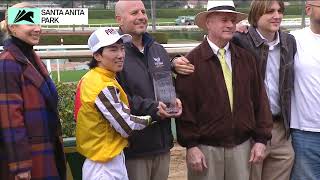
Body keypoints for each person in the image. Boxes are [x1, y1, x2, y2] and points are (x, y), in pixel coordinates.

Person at [175, 1, 273, 180]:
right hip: (205, 151)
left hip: (242, 148)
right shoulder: (191, 63)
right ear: (208, 23)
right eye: (224, 20)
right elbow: (186, 110)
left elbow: (260, 100)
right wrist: (191, 146)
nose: (230, 25)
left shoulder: (246, 59)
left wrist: (261, 139)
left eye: (233, 20)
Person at [74, 27, 154, 180]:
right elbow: (126, 126)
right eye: (113, 50)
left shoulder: (93, 77)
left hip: (103, 158)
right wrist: (152, 117)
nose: (120, 55)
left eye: (122, 49)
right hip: (104, 164)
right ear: (97, 55)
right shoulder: (102, 84)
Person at [114, 1, 182, 180]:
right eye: (134, 12)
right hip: (134, 149)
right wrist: (153, 108)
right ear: (119, 19)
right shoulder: (114, 53)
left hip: (162, 145)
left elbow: (168, 85)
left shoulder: (157, 49)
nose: (141, 16)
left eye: (143, 11)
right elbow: (119, 98)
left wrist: (176, 99)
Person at [231, 1, 297, 180]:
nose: (277, 15)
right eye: (270, 12)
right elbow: (211, 48)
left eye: (279, 11)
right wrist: (176, 62)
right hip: (250, 132)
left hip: (280, 132)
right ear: (256, 15)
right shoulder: (239, 39)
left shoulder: (289, 42)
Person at [0, 2, 66, 180]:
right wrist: (20, 166)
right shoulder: (8, 62)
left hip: (45, 150)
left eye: (38, 23)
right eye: (30, 23)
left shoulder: (31, 57)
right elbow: (11, 120)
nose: (37, 29)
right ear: (12, 28)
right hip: (28, 159)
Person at [290, 1, 320, 180]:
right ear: (308, 9)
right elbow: (262, 41)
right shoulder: (293, 39)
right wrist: (242, 31)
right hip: (305, 133)